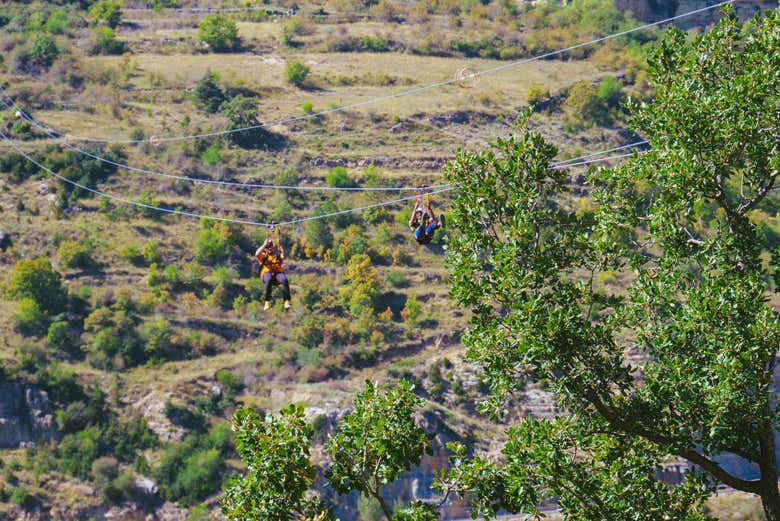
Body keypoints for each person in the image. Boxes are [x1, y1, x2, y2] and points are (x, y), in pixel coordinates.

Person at [255, 227, 291, 310]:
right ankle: (267, 301)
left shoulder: (277, 255)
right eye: (268, 247)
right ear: (265, 248)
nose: (270, 248)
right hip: (267, 274)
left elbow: (283, 256)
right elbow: (256, 254)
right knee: (268, 280)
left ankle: (287, 301)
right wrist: (264, 245)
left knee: (284, 280)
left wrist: (280, 246)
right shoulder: (263, 256)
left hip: (278, 273)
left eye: (271, 246)